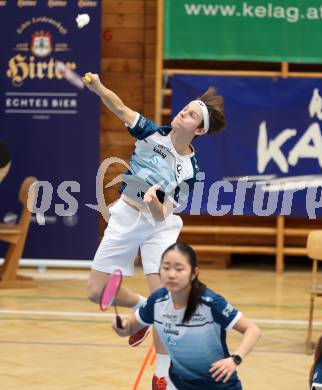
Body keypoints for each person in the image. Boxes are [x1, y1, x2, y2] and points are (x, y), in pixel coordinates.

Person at [83, 73, 226, 389]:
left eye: (190, 114)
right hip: (125, 217)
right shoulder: (150, 133)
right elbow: (119, 108)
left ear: (198, 130)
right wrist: (98, 87)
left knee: (163, 299)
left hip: (158, 227)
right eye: (184, 108)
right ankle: (141, 308)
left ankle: (162, 374)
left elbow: (164, 214)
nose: (181, 113)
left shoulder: (190, 172)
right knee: (95, 291)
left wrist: (153, 204)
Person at [113, 242, 261, 390]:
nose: (171, 274)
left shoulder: (211, 303)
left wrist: (235, 359)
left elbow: (252, 330)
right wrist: (122, 328)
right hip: (180, 384)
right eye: (166, 268)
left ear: (194, 273)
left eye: (179, 269)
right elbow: (129, 327)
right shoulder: (157, 301)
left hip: (219, 385)